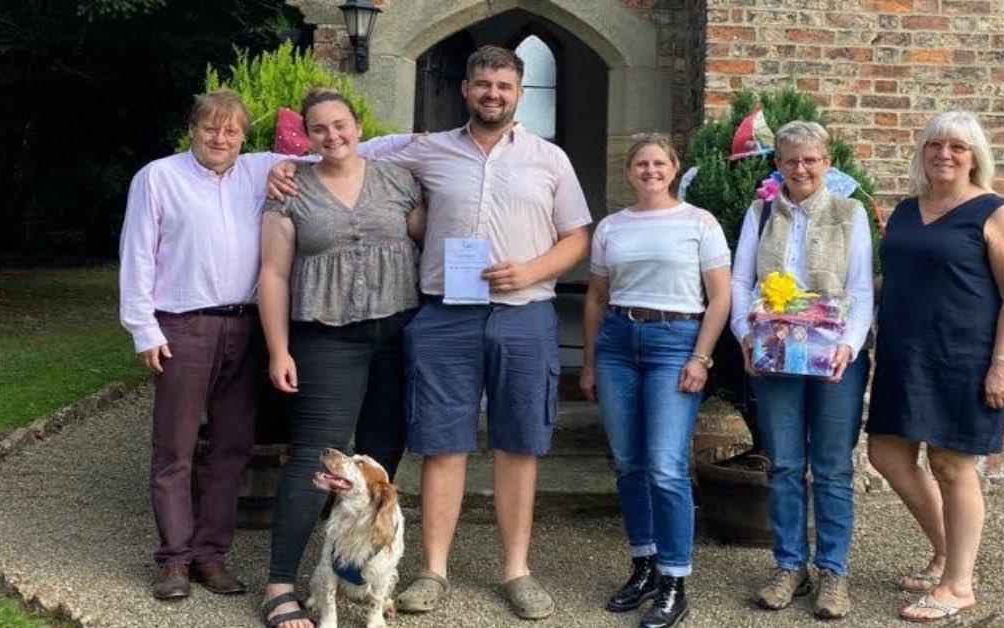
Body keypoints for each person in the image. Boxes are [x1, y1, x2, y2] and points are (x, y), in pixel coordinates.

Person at [267, 44, 591, 620]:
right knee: (443, 444)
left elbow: (577, 238)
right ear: (466, 89)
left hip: (524, 312)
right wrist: (281, 165)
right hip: (446, 315)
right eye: (483, 83)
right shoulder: (424, 150)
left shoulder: (550, 159)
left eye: (505, 85)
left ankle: (517, 571)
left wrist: (532, 270)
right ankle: (433, 571)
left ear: (518, 92)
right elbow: (344, 149)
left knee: (519, 444)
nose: (493, 93)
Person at [256, 88, 425, 628]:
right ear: (306, 137)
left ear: (358, 125)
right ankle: (280, 584)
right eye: (320, 129)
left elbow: (435, 239)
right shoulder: (290, 191)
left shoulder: (398, 180)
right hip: (327, 337)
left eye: (341, 125)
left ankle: (361, 575)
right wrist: (279, 348)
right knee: (314, 458)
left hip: (396, 333)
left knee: (378, 460)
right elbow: (274, 274)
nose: (333, 136)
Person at [119, 90, 296, 600]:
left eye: (232, 130)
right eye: (211, 128)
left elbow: (342, 149)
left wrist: (421, 143)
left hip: (246, 328)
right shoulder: (159, 178)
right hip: (183, 326)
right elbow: (137, 254)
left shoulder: (260, 169)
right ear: (192, 129)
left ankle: (210, 555)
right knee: (174, 447)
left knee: (233, 446)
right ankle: (173, 560)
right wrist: (143, 328)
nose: (221, 139)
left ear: (245, 136)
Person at [865, 111, 1004, 622]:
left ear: (975, 155)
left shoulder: (992, 210)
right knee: (886, 455)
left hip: (962, 356)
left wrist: (1002, 363)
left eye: (957, 147)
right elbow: (898, 280)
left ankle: (958, 585)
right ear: (922, 152)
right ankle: (947, 555)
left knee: (951, 466)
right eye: (935, 145)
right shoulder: (907, 210)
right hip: (902, 353)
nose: (945, 154)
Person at [580, 133, 731, 628]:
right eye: (641, 164)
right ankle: (643, 565)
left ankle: (674, 581)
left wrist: (701, 358)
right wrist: (588, 361)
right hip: (619, 343)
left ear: (673, 168)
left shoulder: (698, 222)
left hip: (676, 343)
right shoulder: (612, 228)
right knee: (628, 464)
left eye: (659, 163)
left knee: (665, 466)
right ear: (629, 172)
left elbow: (721, 298)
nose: (650, 171)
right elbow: (597, 298)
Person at [729, 121, 874, 620]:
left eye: (811, 159)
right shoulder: (760, 211)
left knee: (832, 468)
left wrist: (850, 346)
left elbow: (860, 290)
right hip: (775, 354)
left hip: (834, 358)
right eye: (791, 159)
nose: (801, 168)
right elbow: (740, 279)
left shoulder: (849, 213)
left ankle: (833, 570)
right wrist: (744, 336)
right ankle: (791, 564)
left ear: (827, 163)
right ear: (778, 164)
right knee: (786, 464)